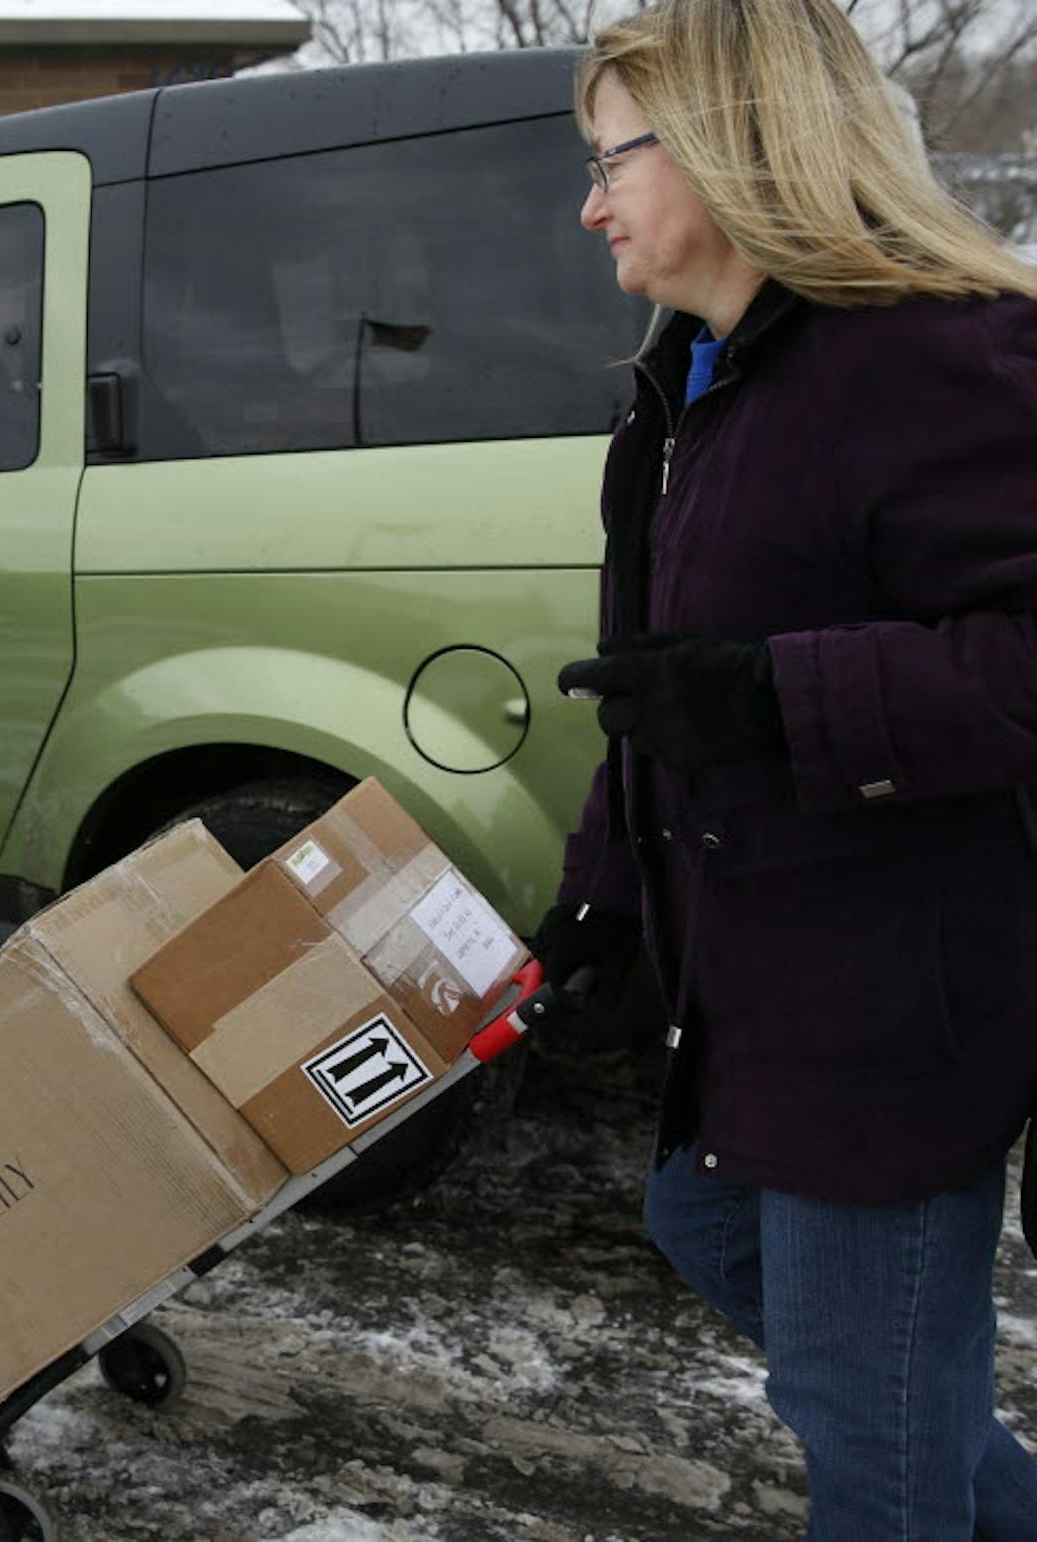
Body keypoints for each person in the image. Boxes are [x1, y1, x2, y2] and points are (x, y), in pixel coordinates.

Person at [536, 0, 1037, 1533]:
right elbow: (655, 701)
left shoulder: (938, 355)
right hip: (753, 980)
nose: (591, 199)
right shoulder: (687, 389)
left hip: (898, 1002)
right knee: (703, 1223)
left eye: (612, 157)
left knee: (865, 1432)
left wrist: (783, 696)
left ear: (736, 145)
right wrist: (603, 906)